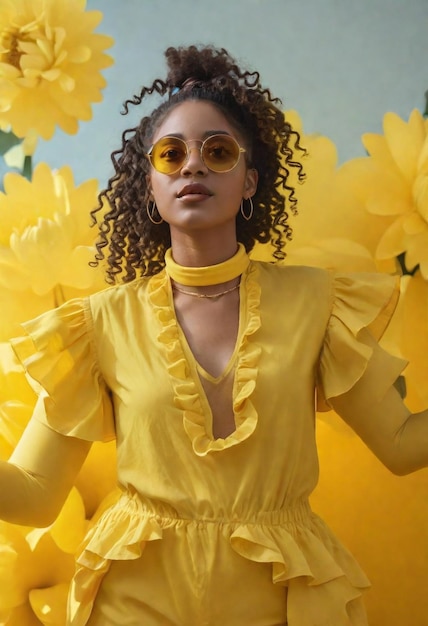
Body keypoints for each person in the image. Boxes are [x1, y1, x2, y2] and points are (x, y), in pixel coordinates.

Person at [1, 44, 427, 626]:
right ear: (149, 185)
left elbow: (401, 444)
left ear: (250, 180)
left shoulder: (318, 302)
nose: (192, 166)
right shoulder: (98, 323)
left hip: (282, 596)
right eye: (171, 155)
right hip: (134, 602)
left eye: (218, 152)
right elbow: (32, 493)